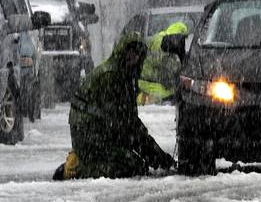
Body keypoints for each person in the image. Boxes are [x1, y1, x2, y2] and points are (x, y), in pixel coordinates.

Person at [52, 33, 175, 180]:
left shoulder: (126, 75)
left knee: (135, 161)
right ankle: (76, 168)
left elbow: (129, 122)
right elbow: (125, 125)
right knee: (132, 166)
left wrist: (158, 157)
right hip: (89, 133)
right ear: (122, 51)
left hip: (100, 130)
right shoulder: (111, 77)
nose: (133, 56)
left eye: (137, 53)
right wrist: (158, 158)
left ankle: (87, 160)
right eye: (130, 51)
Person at [137, 22, 189, 105]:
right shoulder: (161, 44)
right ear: (176, 37)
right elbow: (166, 66)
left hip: (149, 76)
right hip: (147, 79)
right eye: (182, 39)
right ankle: (143, 100)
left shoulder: (164, 40)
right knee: (167, 94)